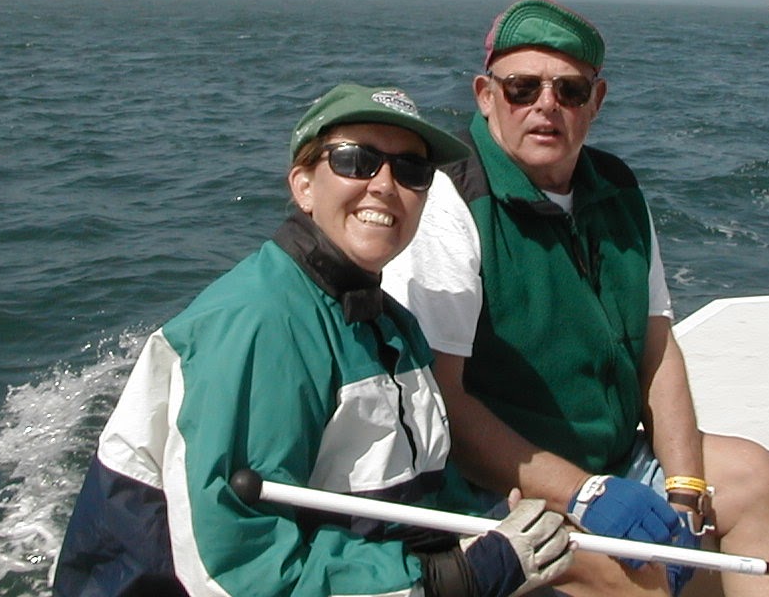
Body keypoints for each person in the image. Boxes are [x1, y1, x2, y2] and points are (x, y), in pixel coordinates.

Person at [53, 83, 575, 597]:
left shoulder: (392, 324)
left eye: (412, 170)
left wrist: (487, 531)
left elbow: (411, 497)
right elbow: (235, 572)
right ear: (303, 186)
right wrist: (459, 576)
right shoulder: (259, 325)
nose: (384, 185)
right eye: (355, 161)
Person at [383, 0, 769, 597]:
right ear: (485, 95)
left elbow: (657, 348)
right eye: (522, 88)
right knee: (632, 578)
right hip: (496, 488)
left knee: (754, 479)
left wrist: (684, 492)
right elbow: (445, 406)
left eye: (570, 90)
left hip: (613, 462)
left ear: (596, 101)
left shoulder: (618, 190)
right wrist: (586, 494)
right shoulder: (452, 202)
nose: (546, 105)